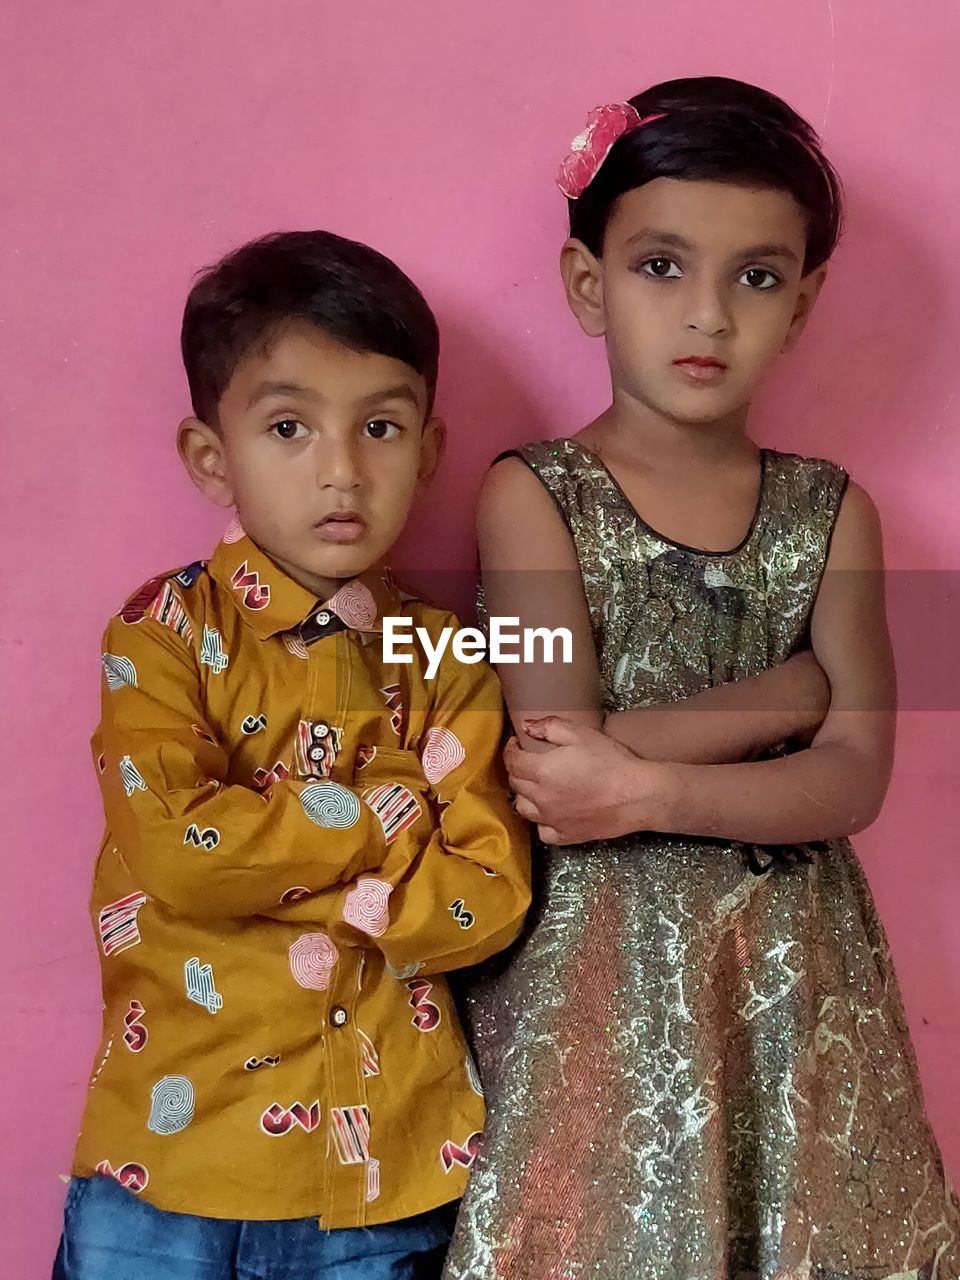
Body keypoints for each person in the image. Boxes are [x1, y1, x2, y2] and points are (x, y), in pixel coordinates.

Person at [444, 77, 960, 1279]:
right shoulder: (531, 496)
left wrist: (650, 783)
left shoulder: (834, 512)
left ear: (806, 300)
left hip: (797, 998)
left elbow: (853, 779)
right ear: (590, 283)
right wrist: (789, 697)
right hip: (601, 999)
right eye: (663, 266)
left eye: (759, 276)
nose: (711, 315)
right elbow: (560, 762)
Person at [52, 230, 531, 1280]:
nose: (343, 470)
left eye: (381, 426)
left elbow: (488, 897)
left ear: (432, 447)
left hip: (382, 1177)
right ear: (209, 455)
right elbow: (182, 854)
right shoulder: (161, 633)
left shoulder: (441, 652)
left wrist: (289, 864)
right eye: (288, 426)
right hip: (165, 1164)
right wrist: (381, 811)